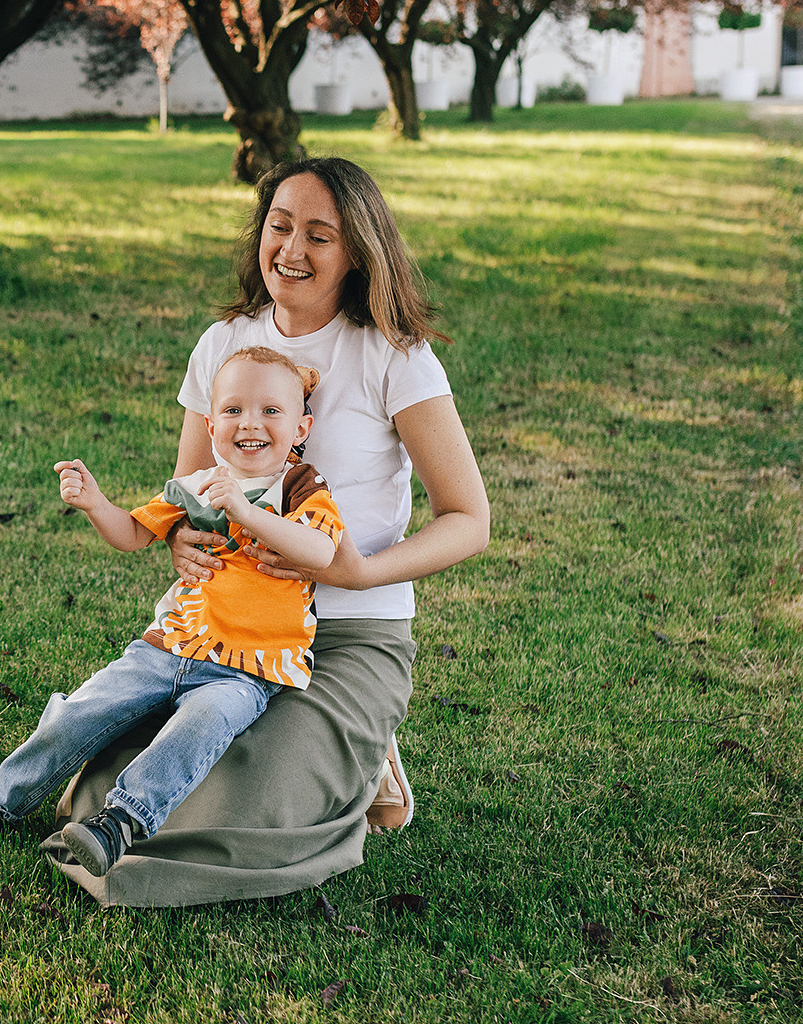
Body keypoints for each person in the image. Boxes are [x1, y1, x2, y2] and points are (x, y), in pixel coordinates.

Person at [41, 156, 489, 906]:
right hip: (221, 629)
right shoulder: (224, 342)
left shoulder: (394, 356)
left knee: (247, 796)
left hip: (346, 634)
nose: (292, 249)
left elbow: (470, 520)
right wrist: (181, 537)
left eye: (320, 235)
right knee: (105, 779)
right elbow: (189, 488)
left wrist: (358, 571)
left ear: (357, 252)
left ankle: (365, 753)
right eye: (280, 227)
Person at [0, 347, 345, 875]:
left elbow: (319, 552)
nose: (249, 423)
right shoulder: (196, 485)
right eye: (233, 410)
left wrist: (243, 510)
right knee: (80, 712)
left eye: (270, 411)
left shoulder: (301, 487)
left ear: (301, 427)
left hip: (246, 669)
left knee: (200, 727)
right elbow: (134, 533)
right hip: (167, 647)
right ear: (211, 426)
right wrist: (97, 504)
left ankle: (120, 821)